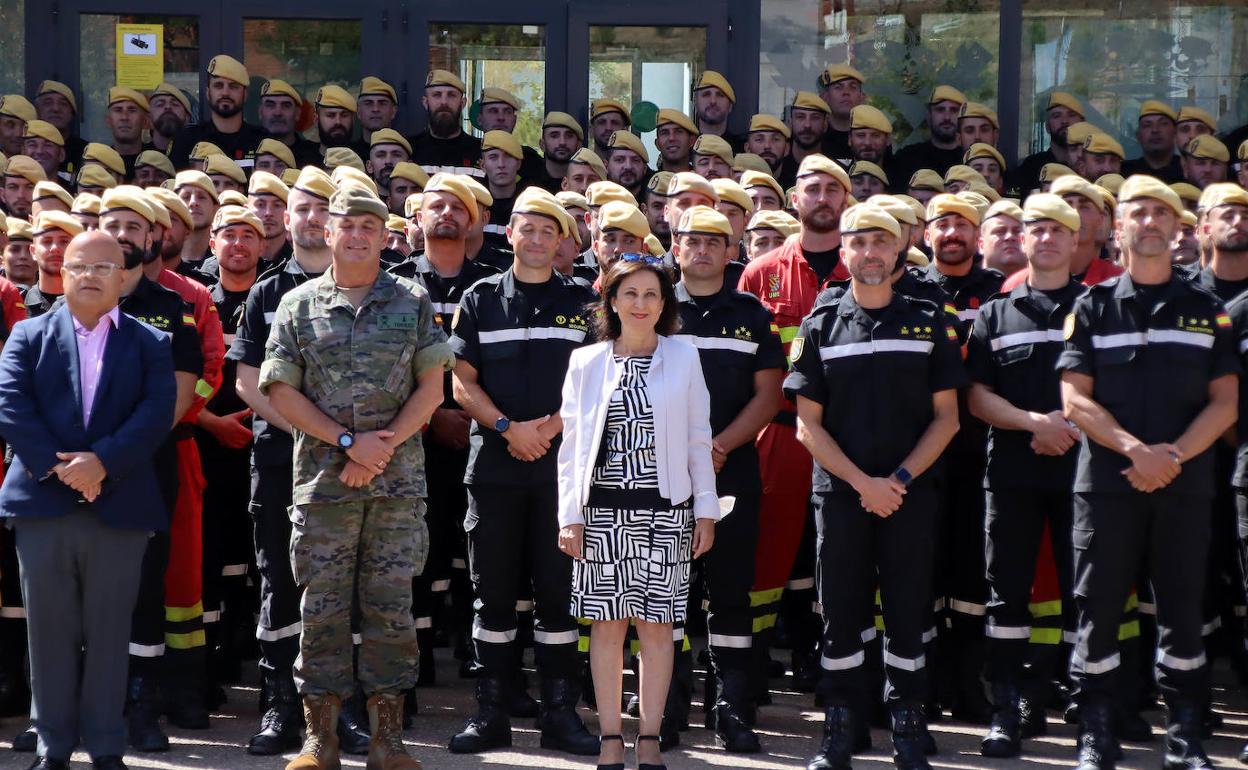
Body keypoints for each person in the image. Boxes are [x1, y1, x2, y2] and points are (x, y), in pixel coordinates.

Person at [260, 184, 452, 770]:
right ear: (328, 229)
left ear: (383, 233)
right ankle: (320, 740)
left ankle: (388, 740)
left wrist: (378, 448)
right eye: (349, 223)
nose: (359, 233)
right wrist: (346, 442)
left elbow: (432, 387)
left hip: (395, 487)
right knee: (321, 611)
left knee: (391, 610)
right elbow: (279, 390)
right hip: (323, 488)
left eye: (371, 224)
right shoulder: (298, 304)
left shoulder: (412, 301)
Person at [1058, 175, 1239, 770]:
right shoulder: (1093, 306)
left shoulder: (1207, 311)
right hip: (1108, 486)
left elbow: (1225, 403)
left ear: (1181, 230)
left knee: (1184, 610)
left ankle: (1185, 739)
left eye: (1164, 214)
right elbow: (1074, 400)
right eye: (1140, 213)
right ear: (1118, 228)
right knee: (1099, 610)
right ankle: (1097, 736)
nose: (1153, 223)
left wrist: (1174, 458)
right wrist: (1137, 451)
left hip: (1184, 486)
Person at [788, 203, 963, 770]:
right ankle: (842, 727)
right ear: (844, 251)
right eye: (858, 243)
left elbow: (948, 419)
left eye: (880, 243)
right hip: (842, 495)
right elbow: (805, 424)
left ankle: (909, 725)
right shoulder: (821, 323)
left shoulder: (929, 317)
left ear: (899, 251)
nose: (869, 253)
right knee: (841, 610)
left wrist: (899, 479)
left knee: (909, 608)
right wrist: (864, 482)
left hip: (909, 493)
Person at [0, 230, 176, 770]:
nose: (92, 275)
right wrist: (67, 471)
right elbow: (12, 408)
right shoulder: (27, 335)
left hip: (118, 506)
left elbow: (154, 413)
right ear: (60, 274)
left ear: (124, 277)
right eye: (80, 266)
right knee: (48, 630)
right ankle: (52, 744)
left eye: (105, 266)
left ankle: (104, 746)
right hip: (44, 507)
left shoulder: (151, 342)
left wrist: (102, 463)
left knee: (109, 631)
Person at [447, 188, 599, 757]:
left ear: (561, 241)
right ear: (508, 235)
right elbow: (461, 381)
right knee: (493, 595)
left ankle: (561, 713)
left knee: (560, 594)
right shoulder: (481, 297)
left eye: (547, 230)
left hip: (562, 469)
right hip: (494, 467)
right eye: (526, 228)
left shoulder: (584, 301)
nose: (536, 239)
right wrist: (510, 428)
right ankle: (490, 713)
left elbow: (596, 385)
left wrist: (549, 429)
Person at [551, 252, 715, 770]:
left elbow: (697, 439)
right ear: (612, 302)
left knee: (659, 630)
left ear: (664, 303)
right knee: (607, 629)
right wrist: (568, 515)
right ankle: (609, 738)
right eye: (630, 294)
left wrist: (705, 510)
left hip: (666, 513)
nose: (640, 304)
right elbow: (572, 446)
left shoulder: (684, 355)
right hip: (601, 514)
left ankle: (649, 736)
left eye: (650, 294)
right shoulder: (587, 362)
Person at [964, 193, 1086, 758]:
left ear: (1076, 239)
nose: (1048, 238)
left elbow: (1116, 391)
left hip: (1084, 474)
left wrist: (1071, 426)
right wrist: (1034, 423)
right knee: (1006, 596)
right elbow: (977, 395)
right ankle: (1007, 708)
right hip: (1011, 473)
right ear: (1025, 238)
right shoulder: (995, 311)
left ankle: (1087, 708)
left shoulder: (1098, 307)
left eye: (1059, 229)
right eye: (1037, 228)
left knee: (1084, 593)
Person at [227, 167, 344, 755]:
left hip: (351, 466)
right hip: (283, 461)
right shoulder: (265, 293)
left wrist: (340, 441)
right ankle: (279, 706)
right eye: (302, 208)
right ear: (287, 218)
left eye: (325, 208)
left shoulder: (370, 288)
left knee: (339, 584)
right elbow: (248, 385)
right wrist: (316, 432)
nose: (313, 218)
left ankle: (334, 707)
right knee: (278, 580)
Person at [738, 154, 851, 710]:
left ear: (846, 201)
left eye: (834, 189)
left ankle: (833, 667)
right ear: (794, 198)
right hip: (778, 433)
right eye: (813, 188)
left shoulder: (865, 266)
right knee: (768, 555)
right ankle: (751, 667)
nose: (823, 197)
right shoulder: (761, 272)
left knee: (841, 555)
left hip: (847, 439)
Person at [671, 206, 784, 752]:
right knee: (664, 596)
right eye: (693, 241)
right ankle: (665, 708)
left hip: (730, 467)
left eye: (715, 242)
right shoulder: (656, 306)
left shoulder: (751, 313)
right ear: (676, 247)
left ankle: (731, 709)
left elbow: (769, 394)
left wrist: (718, 446)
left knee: (730, 592)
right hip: (664, 472)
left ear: (731, 250)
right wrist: (687, 452)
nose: (703, 250)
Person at [169, 56, 265, 171]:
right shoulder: (186, 141)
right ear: (208, 93)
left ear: (245, 94)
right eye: (218, 86)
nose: (225, 92)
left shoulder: (262, 142)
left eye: (233, 86)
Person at [409, 70, 483, 180]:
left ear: (462, 103)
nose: (444, 102)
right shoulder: (410, 150)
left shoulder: (480, 151)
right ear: (425, 102)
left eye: (451, 95)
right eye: (437, 95)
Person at [890, 86, 969, 188]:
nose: (947, 117)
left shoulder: (970, 160)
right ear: (929, 116)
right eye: (940, 110)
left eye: (954, 110)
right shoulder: (907, 158)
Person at [1011, 92, 1085, 197]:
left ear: (1083, 124)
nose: (1064, 121)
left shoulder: (1092, 164)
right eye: (1057, 116)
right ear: (1047, 126)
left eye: (1071, 115)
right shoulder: (1030, 167)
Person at [258, 80, 322, 169]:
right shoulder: (247, 149)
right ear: (260, 112)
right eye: (270, 105)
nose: (278, 112)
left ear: (297, 113)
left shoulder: (315, 157)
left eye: (286, 105)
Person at [1121, 101, 1182, 183]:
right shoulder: (1124, 173)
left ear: (1175, 132)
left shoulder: (1189, 171)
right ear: (1138, 136)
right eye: (1147, 125)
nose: (1155, 130)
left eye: (1163, 124)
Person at [817, 65, 866, 165]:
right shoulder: (814, 137)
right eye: (838, 87)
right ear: (825, 97)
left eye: (853, 87)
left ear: (862, 98)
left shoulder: (871, 139)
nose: (846, 92)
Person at [693, 71, 742, 152]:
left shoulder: (742, 150)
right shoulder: (684, 151)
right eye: (706, 94)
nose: (713, 101)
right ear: (695, 103)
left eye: (720, 95)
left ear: (730, 106)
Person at [537, 112, 584, 193]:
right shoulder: (528, 187)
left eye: (569, 136)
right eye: (554, 136)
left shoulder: (587, 186)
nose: (562, 142)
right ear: (542, 144)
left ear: (579, 145)